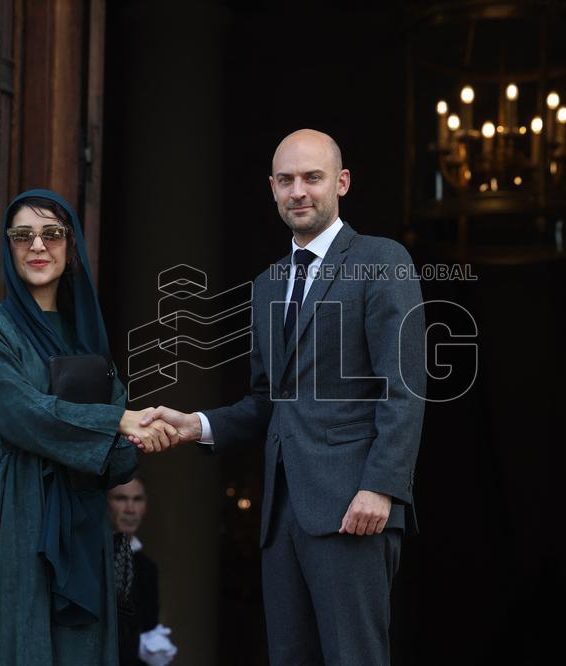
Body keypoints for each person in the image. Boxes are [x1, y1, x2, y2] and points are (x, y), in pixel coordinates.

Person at [136, 130, 427, 666]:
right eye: (287, 180)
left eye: (312, 178)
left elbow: (403, 385)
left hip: (354, 509)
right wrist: (195, 424)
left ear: (341, 183)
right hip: (282, 515)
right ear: (271, 188)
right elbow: (267, 403)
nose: (299, 191)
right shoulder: (269, 284)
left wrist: (381, 488)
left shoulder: (381, 260)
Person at [0, 189, 178, 665]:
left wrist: (139, 431)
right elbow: (19, 413)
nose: (37, 246)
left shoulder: (87, 341)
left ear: (71, 248)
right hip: (7, 517)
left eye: (52, 234)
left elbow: (122, 455)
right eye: (23, 235)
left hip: (81, 526)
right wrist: (117, 421)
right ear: (9, 246)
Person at [108, 476, 177, 666]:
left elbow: (148, 627)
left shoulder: (147, 568)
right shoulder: (91, 560)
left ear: (145, 507)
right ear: (105, 504)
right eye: (120, 499)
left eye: (137, 499)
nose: (130, 509)